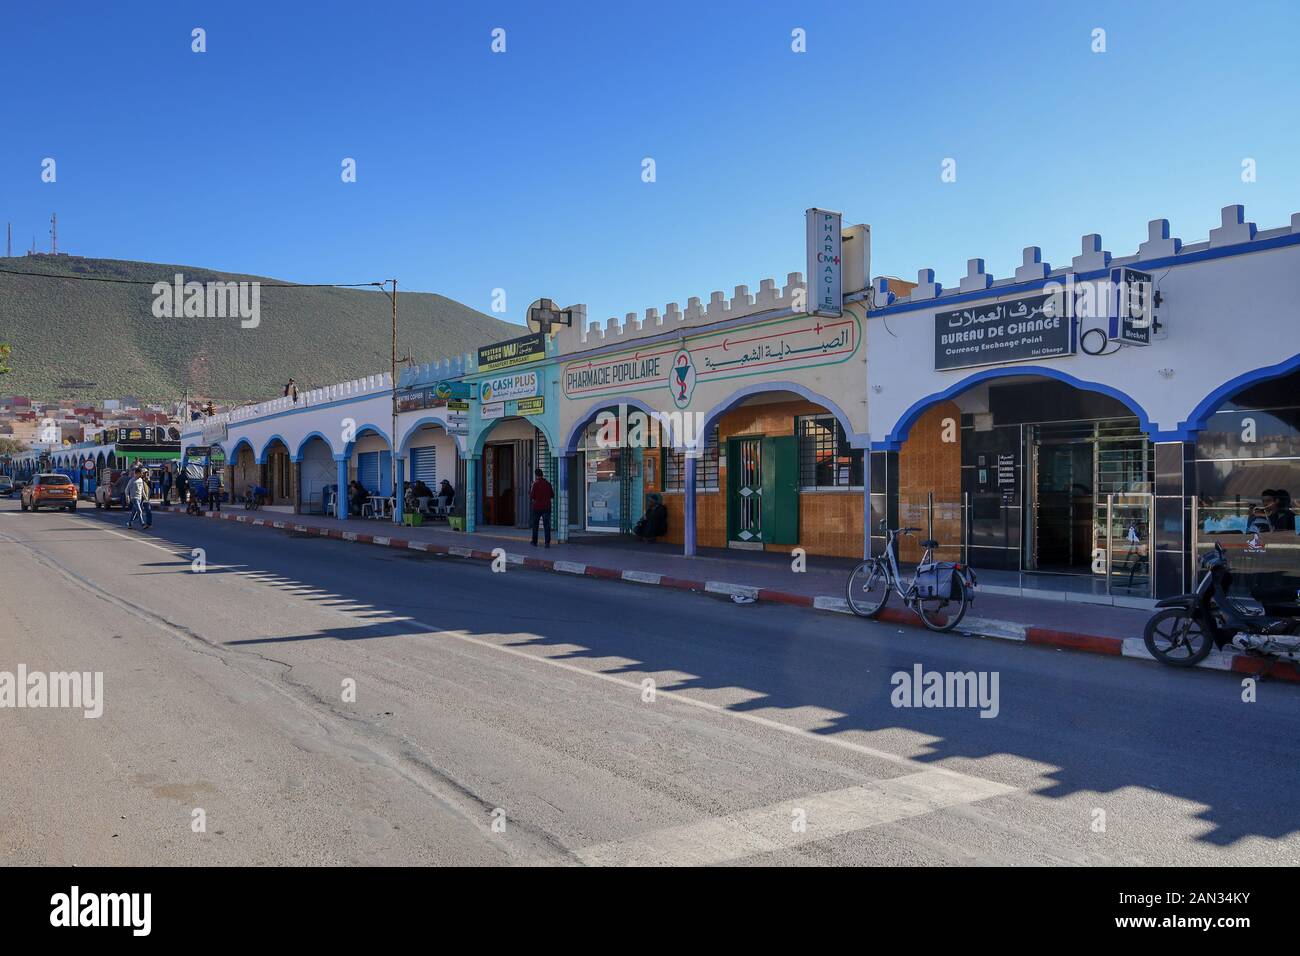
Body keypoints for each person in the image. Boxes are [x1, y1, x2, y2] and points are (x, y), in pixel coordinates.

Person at [529, 467, 554, 548]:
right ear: (542, 475)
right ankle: (547, 543)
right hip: (547, 507)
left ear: (536, 475)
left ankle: (534, 542)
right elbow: (552, 495)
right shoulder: (548, 483)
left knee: (535, 525)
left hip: (537, 508)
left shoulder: (535, 484)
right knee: (547, 526)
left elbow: (531, 496)